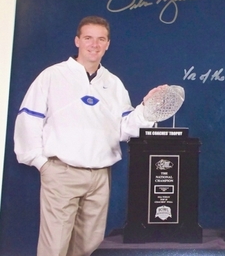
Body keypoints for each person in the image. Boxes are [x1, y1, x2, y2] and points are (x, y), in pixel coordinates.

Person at [14, 16, 166, 256]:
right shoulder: (52, 76)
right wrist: (41, 163)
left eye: (100, 39)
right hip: (61, 173)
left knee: (89, 248)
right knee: (54, 248)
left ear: (107, 44)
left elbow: (126, 129)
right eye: (88, 38)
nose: (94, 44)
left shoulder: (114, 83)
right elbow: (28, 120)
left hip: (100, 177)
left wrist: (148, 109)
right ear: (77, 41)